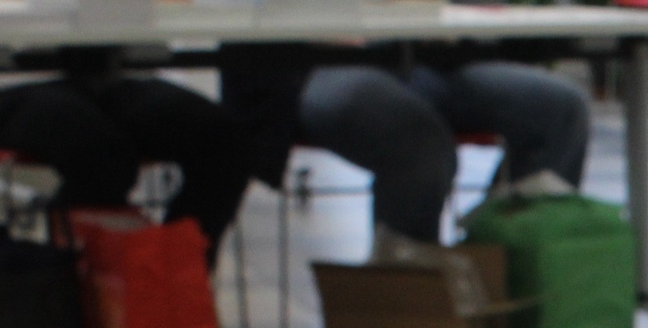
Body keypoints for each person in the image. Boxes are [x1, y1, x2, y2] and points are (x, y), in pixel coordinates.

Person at [220, 52, 591, 245]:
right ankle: (410, 302)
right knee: (418, 143)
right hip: (313, 62)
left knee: (561, 110)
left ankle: (502, 264)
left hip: (424, 55)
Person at [0, 70, 252, 259]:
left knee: (226, 140)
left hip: (111, 77)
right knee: (102, 157)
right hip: (9, 85)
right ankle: (72, 290)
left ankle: (176, 278)